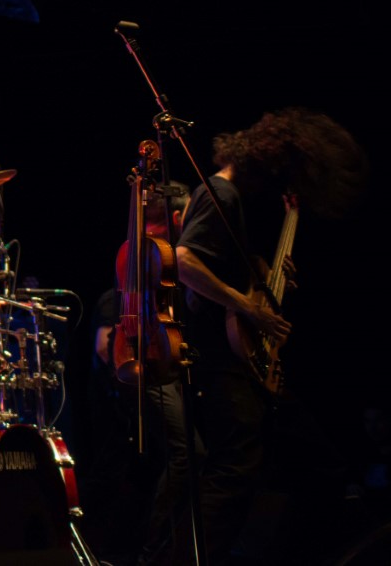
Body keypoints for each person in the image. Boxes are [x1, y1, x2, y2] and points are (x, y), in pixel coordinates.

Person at [176, 108, 365, 564]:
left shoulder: (229, 198)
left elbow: (226, 269)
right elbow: (185, 261)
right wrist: (250, 308)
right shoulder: (220, 193)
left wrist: (266, 276)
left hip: (239, 359)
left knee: (289, 467)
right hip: (221, 360)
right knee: (236, 469)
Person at [87, 181, 200, 565]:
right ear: (177, 217)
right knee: (185, 454)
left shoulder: (168, 264)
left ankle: (161, 547)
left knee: (164, 463)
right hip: (144, 369)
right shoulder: (128, 280)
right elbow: (105, 345)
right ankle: (156, 552)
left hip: (163, 363)